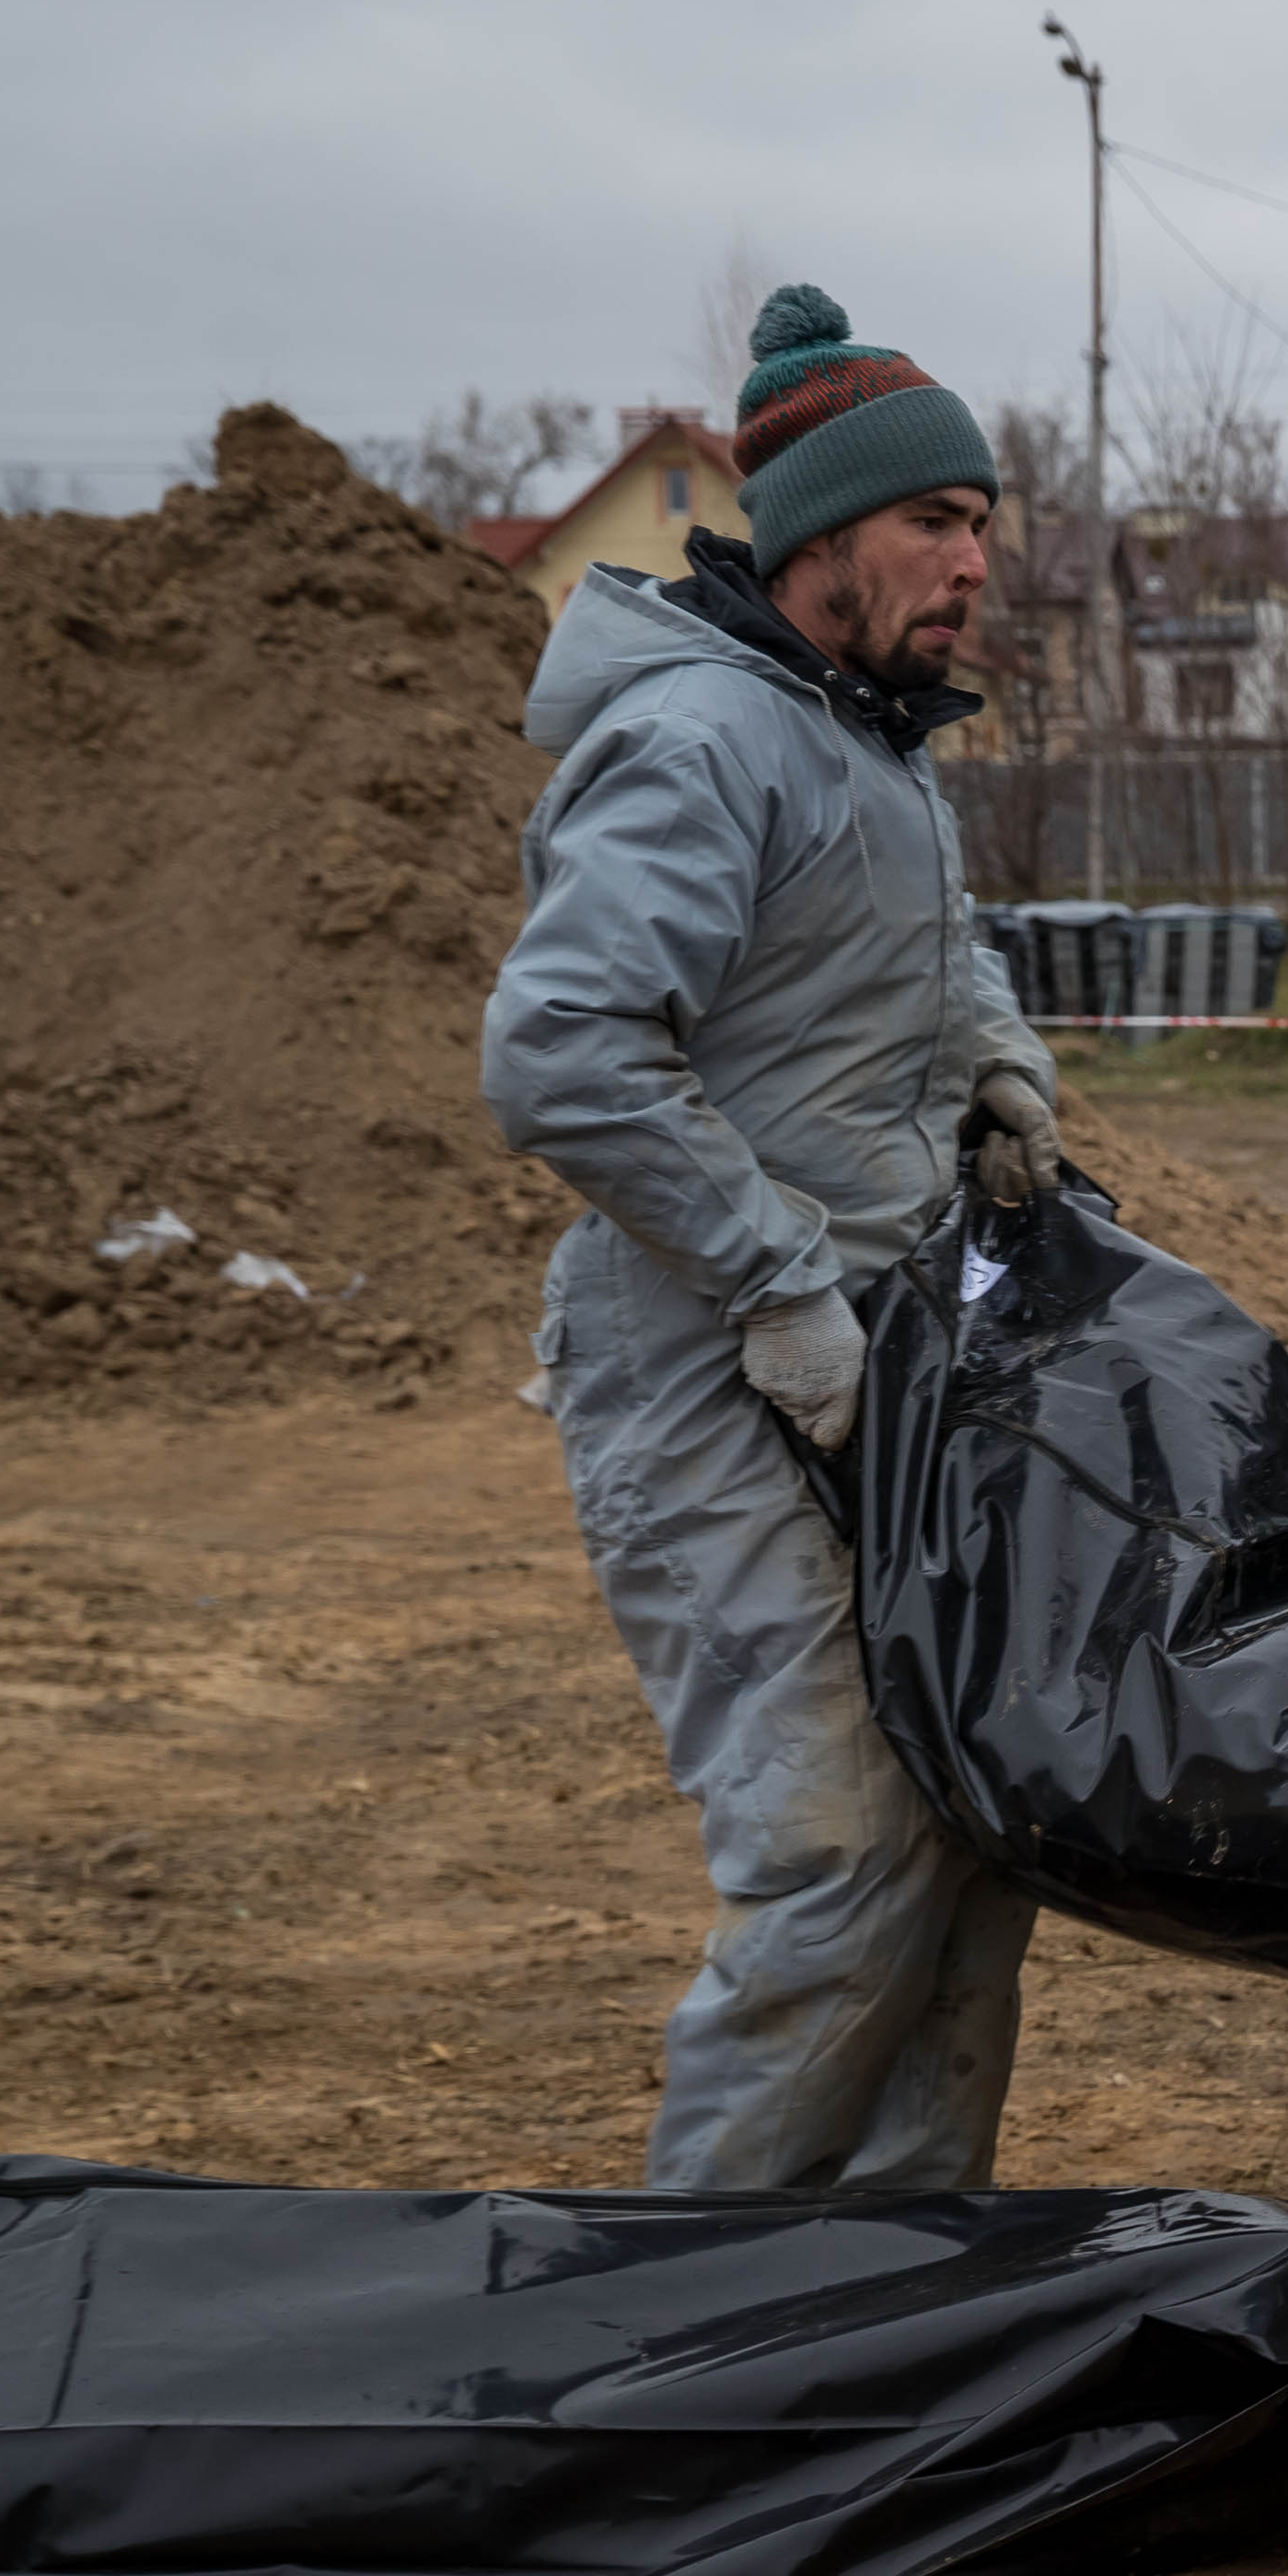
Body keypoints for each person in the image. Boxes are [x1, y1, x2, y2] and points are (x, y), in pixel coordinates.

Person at [482, 285, 1067, 2192]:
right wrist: (775, 1274)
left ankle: (883, 2335)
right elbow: (559, 1046)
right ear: (820, 535)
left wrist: (1000, 1070)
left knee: (967, 1845)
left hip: (866, 1369)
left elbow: (941, 947)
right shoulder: (702, 741)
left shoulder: (871, 747)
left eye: (982, 522)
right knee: (840, 1861)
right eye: (936, 522)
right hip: (704, 1376)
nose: (974, 558)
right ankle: (688, 2359)